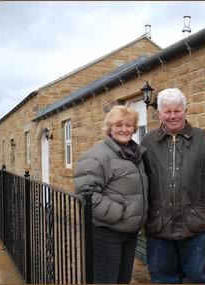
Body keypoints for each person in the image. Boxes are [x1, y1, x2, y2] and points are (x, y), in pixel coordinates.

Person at [141, 88, 205, 284]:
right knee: (163, 279)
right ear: (159, 114)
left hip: (195, 225)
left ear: (186, 111)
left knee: (199, 278)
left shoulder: (203, 139)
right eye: (167, 111)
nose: (173, 116)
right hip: (159, 225)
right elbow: (139, 181)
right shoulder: (148, 142)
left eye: (177, 110)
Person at [74, 105, 148, 284]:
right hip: (107, 233)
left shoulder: (134, 154)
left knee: (123, 280)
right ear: (109, 128)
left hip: (129, 232)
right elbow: (86, 194)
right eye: (118, 125)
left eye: (129, 125)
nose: (124, 129)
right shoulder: (97, 156)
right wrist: (118, 213)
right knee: (106, 280)